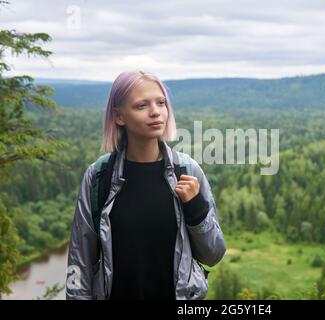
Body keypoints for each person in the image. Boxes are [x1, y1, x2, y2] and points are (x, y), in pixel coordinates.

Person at [65, 71, 226, 300]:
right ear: (119, 116)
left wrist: (196, 209)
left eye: (161, 103)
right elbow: (80, 261)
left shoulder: (188, 172)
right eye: (141, 105)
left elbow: (214, 254)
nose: (155, 112)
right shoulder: (99, 177)